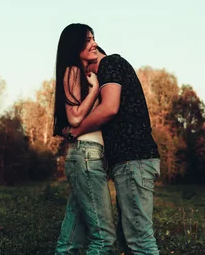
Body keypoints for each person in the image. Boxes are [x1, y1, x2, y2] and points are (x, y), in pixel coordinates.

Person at [64, 45, 161, 255]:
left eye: (87, 68)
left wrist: (76, 131)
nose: (87, 74)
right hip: (134, 161)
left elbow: (109, 108)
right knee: (130, 240)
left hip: (133, 160)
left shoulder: (110, 63)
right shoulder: (116, 67)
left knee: (140, 241)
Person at [53, 23, 116, 255]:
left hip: (87, 156)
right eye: (88, 40)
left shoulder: (84, 74)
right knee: (104, 237)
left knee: (71, 237)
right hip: (87, 156)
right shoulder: (74, 71)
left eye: (94, 38)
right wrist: (94, 90)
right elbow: (75, 117)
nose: (94, 44)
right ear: (75, 45)